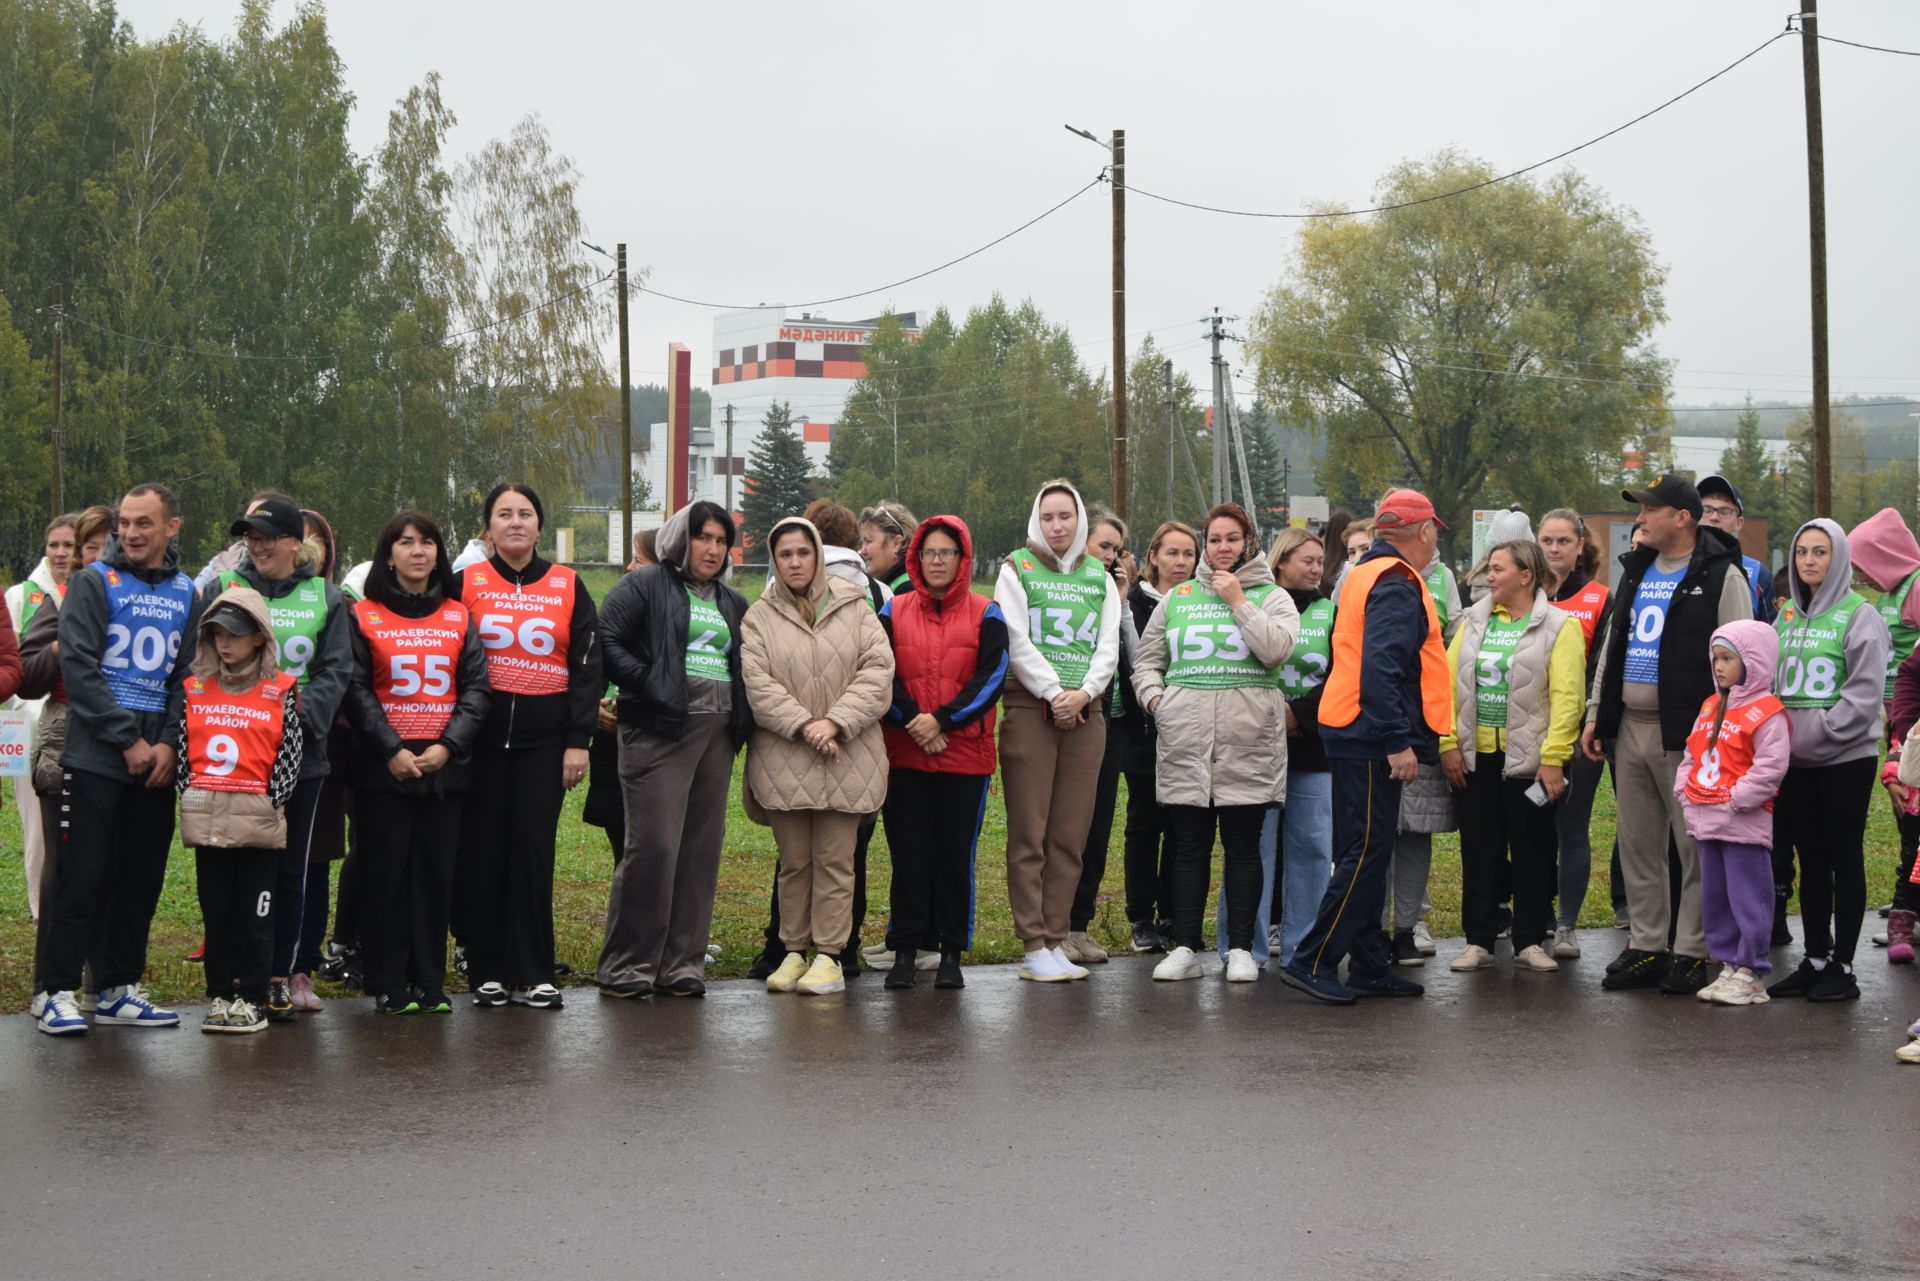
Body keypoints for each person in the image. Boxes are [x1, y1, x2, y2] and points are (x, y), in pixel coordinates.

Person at [39, 484, 203, 1035]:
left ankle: (118, 986)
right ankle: (58, 990)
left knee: (140, 880)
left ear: (171, 528)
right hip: (97, 757)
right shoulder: (94, 581)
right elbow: (80, 670)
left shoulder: (186, 591)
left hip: (155, 762)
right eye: (125, 524)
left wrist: (167, 744)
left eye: (143, 524)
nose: (130, 534)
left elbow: (187, 676)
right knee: (82, 876)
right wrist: (127, 740)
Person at [1279, 489, 1451, 1004]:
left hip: (1350, 727)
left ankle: (1369, 965)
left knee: (1365, 851)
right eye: (1434, 531)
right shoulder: (1397, 581)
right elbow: (1383, 666)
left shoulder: (1363, 574)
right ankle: (1314, 958)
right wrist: (1397, 740)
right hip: (1371, 734)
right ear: (1421, 532)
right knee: (1366, 852)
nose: (1434, 539)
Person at [1582, 474, 1751, 995]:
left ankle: (1693, 951)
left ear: (1683, 516)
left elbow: (1741, 656)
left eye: (1649, 509)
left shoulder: (1722, 575)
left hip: (1690, 735)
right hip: (1629, 727)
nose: (1640, 518)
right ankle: (1649, 945)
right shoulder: (1636, 570)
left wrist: (1725, 731)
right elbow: (1613, 646)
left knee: (1692, 846)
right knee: (1637, 844)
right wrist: (1595, 712)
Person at [451, 483, 600, 1011]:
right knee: (485, 852)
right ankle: (487, 969)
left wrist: (577, 741)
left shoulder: (567, 584)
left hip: (544, 743)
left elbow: (587, 667)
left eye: (525, 514)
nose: (515, 523)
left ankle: (535, 971)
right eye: (504, 514)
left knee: (533, 852)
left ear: (540, 526)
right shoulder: (464, 582)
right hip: (480, 742)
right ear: (488, 527)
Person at [1134, 503, 1298, 983]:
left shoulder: (1273, 597)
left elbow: (1275, 650)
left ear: (1249, 543)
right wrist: (1156, 703)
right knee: (1189, 847)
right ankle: (1186, 946)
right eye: (1215, 539)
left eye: (1232, 539)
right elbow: (1147, 661)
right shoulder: (1179, 597)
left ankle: (1242, 949)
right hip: (1186, 741)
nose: (1222, 548)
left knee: (1244, 848)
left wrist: (1237, 601)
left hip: (1248, 743)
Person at [596, 501, 750, 999]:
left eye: (721, 541)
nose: (712, 548)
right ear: (681, 538)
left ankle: (682, 963)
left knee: (699, 851)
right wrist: (652, 683)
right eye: (703, 537)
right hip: (659, 732)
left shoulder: (731, 600)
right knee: (655, 848)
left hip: (717, 735)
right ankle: (627, 966)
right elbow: (606, 640)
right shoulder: (645, 584)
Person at [211, 495, 352, 1019]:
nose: (258, 545)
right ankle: (231, 975)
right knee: (234, 870)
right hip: (233, 754)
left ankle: (279, 973)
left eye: (269, 536)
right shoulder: (226, 588)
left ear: (296, 542)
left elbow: (337, 670)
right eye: (251, 536)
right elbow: (199, 660)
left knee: (291, 871)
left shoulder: (327, 597)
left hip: (300, 756)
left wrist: (289, 722)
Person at [344, 512, 490, 1014]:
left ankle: (430, 981)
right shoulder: (363, 613)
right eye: (405, 543)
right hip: (383, 768)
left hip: (443, 765)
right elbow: (356, 690)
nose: (417, 551)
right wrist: (391, 750)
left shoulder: (457, 614)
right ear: (388, 555)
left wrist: (447, 747)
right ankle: (388, 981)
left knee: (434, 876)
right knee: (386, 875)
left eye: (427, 542)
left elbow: (476, 689)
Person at [742, 517, 894, 996]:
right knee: (794, 863)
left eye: (803, 553)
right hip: (785, 753)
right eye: (785, 554)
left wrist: (835, 722)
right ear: (775, 560)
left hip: (846, 753)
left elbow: (877, 671)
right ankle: (791, 950)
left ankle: (829, 954)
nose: (794, 562)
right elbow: (757, 682)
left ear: (818, 556)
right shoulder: (758, 617)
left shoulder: (856, 608)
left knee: (835, 860)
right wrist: (807, 726)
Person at [993, 479, 1123, 982]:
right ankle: (1032, 945)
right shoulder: (1015, 569)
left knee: (1070, 834)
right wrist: (1053, 692)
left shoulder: (1099, 577)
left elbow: (1107, 645)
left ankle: (1056, 936)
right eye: (1048, 517)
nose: (1057, 525)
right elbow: (1015, 636)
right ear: (1036, 520)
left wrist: (1084, 694)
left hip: (1085, 714)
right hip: (1031, 709)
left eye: (1065, 516)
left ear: (1079, 520)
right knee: (1031, 832)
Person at [877, 514, 1008, 990]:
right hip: (905, 753)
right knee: (908, 853)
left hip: (964, 757)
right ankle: (906, 950)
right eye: (929, 551)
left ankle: (951, 952)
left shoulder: (986, 612)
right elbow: (880, 675)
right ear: (915, 556)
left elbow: (991, 679)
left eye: (946, 553)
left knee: (955, 857)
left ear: (962, 559)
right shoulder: (893, 611)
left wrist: (943, 720)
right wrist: (915, 722)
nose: (936, 560)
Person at [1439, 540, 1582, 974]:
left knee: (1533, 850)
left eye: (1498, 569)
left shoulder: (1560, 626)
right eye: (1489, 568)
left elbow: (1568, 697)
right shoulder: (1472, 621)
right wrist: (1447, 744)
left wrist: (1554, 757)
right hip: (1476, 758)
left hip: (1532, 762)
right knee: (1479, 850)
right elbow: (1446, 685)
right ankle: (1478, 940)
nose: (1489, 576)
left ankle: (1530, 940)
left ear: (1526, 575)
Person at [1765, 519, 1889, 1002]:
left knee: (1843, 858)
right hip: (1795, 763)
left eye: (1820, 552)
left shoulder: (1861, 616)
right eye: (1801, 553)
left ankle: (1845, 966)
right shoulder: (1788, 617)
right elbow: (1770, 678)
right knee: (1809, 859)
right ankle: (1815, 957)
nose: (1809, 561)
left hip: (1843, 760)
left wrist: (1823, 733)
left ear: (1839, 557)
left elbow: (1864, 692)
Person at [175, 589, 304, 1034]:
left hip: (256, 822)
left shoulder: (280, 689)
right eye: (215, 633)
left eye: (234, 633)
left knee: (256, 914)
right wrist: (190, 800)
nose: (224, 642)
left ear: (258, 637)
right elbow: (181, 754)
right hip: (208, 818)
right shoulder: (194, 687)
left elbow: (289, 756)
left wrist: (270, 804)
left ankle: (251, 996)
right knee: (217, 913)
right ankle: (220, 995)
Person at [20, 505, 113, 1015]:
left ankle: (106, 984)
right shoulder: (58, 602)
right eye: (89, 546)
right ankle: (48, 989)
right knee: (67, 870)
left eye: (106, 544)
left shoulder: (140, 602)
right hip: (64, 747)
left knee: (114, 869)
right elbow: (25, 674)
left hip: (124, 749)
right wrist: (60, 648)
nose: (98, 555)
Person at [1674, 621, 1789, 1007]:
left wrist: (1739, 798)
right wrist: (1683, 789)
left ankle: (1752, 970)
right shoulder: (1712, 704)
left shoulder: (1767, 711)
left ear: (1752, 662)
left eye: (1728, 659)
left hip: (1743, 822)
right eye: (1716, 659)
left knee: (1748, 897)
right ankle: (1727, 962)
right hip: (1707, 819)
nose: (1719, 667)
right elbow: (1694, 751)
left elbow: (1771, 766)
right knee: (1715, 896)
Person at [1063, 505, 1136, 966]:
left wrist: (1123, 600)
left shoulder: (1114, 591)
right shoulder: (1063, 589)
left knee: (1099, 825)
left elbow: (1132, 652)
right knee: (1066, 826)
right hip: (1069, 718)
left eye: (1116, 548)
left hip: (1111, 725)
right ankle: (1054, 923)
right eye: (1102, 545)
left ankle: (1079, 924)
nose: (1110, 555)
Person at [1847, 506, 1920, 946]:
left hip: (1914, 719)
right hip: (1898, 715)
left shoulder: (1916, 586)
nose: (1862, 576)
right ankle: (1909, 897)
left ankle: (1910, 899)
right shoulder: (1891, 593)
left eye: (1864, 565)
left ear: (1885, 555)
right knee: (1905, 812)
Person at [1121, 521, 1194, 951]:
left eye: (1188, 554)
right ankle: (1140, 919)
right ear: (1153, 557)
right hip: (1143, 731)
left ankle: (1173, 914)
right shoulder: (1136, 603)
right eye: (1172, 553)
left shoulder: (1203, 603)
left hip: (1190, 733)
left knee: (1182, 825)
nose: (1181, 562)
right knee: (1145, 822)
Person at [1540, 508, 1610, 956]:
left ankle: (1566, 925)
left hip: (1580, 733)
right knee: (1530, 826)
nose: (1554, 549)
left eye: (1563, 541)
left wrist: (1591, 722)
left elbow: (1603, 668)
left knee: (1571, 826)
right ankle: (1535, 917)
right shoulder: (1526, 593)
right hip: (1528, 732)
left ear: (1580, 545)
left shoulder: (1600, 597)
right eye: (1546, 540)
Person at [1265, 528, 1335, 968]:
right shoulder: (1260, 605)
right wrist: (1276, 714)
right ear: (1282, 562)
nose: (1315, 568)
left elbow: (1343, 674)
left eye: (1319, 561)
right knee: (1256, 846)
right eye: (1306, 560)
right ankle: (1245, 944)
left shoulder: (1332, 611)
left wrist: (1301, 715)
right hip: (1260, 742)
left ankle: (1303, 945)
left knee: (1312, 846)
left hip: (1312, 744)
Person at [5, 513, 74, 921]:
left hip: (73, 719)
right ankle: (39, 908)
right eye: (54, 545)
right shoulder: (21, 594)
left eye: (69, 545)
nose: (61, 553)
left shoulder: (92, 590)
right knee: (34, 819)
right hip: (22, 723)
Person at [583, 529, 654, 863]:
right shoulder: (617, 611)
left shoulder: (679, 620)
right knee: (624, 850)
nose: (628, 567)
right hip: (613, 750)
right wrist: (592, 707)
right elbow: (591, 668)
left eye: (638, 560)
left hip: (654, 749)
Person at [1697, 475, 1777, 624]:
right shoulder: (1673, 565)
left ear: (1739, 523)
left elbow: (1771, 637)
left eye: (1725, 511)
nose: (1714, 517)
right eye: (1706, 509)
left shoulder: (1759, 575)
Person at [858, 501, 919, 596]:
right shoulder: (888, 586)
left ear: (896, 543)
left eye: (868, 541)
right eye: (862, 542)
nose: (862, 551)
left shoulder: (908, 590)